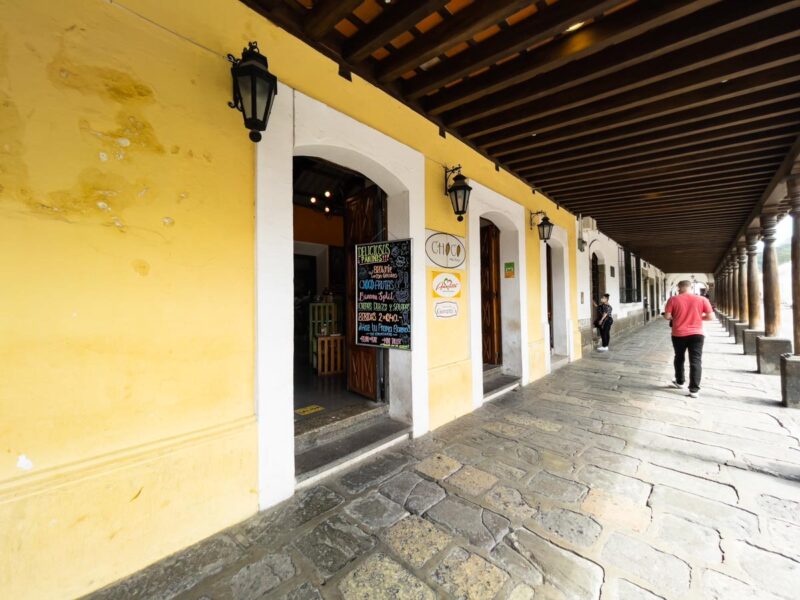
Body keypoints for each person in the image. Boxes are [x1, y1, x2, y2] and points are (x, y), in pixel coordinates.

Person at [663, 280, 714, 398]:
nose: (678, 290)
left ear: (679, 288)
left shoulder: (673, 299)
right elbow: (711, 317)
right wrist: (698, 318)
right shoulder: (702, 299)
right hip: (697, 334)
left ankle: (680, 382)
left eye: (678, 288)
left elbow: (667, 316)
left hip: (679, 333)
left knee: (679, 357)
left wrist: (676, 317)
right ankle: (694, 390)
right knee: (695, 360)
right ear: (690, 287)